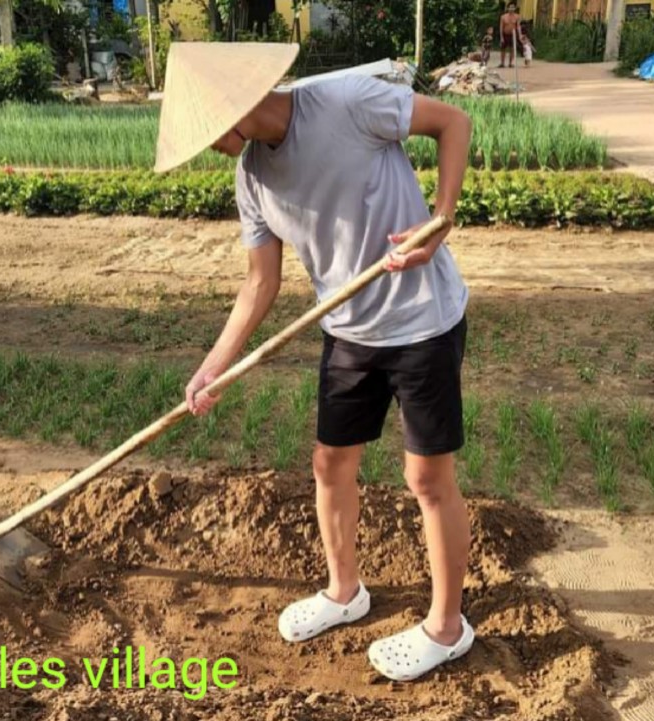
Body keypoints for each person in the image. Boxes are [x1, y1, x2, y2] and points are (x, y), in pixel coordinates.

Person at [153, 43, 473, 682]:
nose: (208, 146)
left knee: (426, 480)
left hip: (422, 322)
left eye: (206, 131)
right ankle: (343, 591)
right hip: (349, 329)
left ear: (235, 108)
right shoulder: (252, 178)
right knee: (331, 464)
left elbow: (452, 122)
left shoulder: (347, 103)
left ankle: (447, 626)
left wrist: (440, 217)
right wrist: (214, 365)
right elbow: (259, 283)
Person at [500, 3, 522, 68]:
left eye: (513, 7)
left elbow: (518, 26)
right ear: (508, 8)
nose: (511, 9)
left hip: (513, 34)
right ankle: (502, 63)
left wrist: (520, 35)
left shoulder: (517, 16)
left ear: (515, 8)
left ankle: (510, 63)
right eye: (510, 7)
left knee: (512, 49)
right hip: (505, 34)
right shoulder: (503, 17)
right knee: (503, 49)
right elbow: (501, 27)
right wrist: (501, 37)